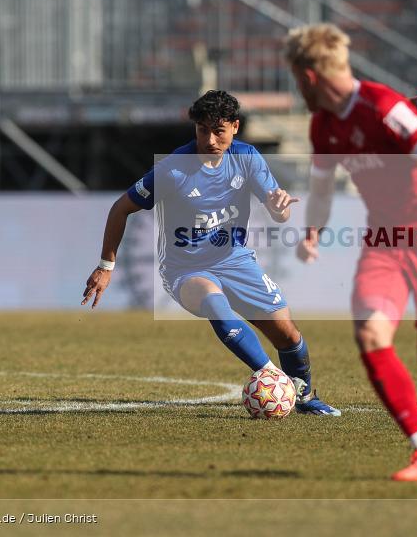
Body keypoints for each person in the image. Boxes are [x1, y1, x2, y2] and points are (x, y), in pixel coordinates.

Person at [284, 23, 417, 481]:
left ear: (308, 77)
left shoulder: (384, 107)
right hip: (385, 241)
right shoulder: (323, 125)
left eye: (294, 79)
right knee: (370, 334)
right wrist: (313, 230)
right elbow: (323, 187)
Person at [81, 90, 340, 416]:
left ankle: (303, 398)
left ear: (235, 127)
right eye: (203, 130)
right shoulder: (173, 169)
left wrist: (279, 210)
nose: (211, 139)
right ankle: (271, 375)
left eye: (219, 130)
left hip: (235, 260)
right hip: (185, 270)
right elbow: (121, 208)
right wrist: (106, 266)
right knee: (214, 302)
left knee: (287, 335)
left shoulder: (247, 159)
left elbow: (280, 212)